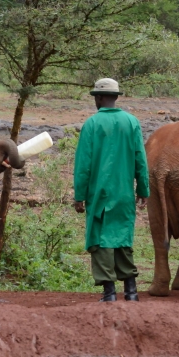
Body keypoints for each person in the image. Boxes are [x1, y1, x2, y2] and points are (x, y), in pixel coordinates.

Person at [73, 78, 149, 302]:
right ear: (116, 97)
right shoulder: (132, 122)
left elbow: (83, 166)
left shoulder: (91, 124)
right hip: (125, 193)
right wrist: (143, 189)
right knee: (123, 238)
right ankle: (131, 292)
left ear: (98, 97)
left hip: (99, 194)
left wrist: (79, 195)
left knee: (101, 238)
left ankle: (109, 293)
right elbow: (140, 160)